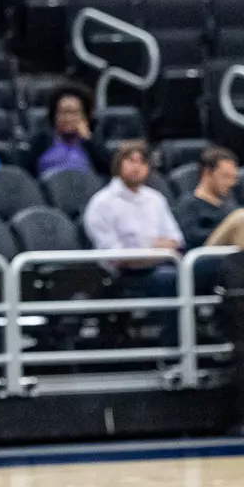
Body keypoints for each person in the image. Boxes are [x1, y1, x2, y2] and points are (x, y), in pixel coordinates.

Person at [83, 140, 183, 342]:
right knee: (170, 280)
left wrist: (145, 251)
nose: (136, 167)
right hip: (120, 275)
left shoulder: (156, 199)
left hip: (157, 268)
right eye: (131, 160)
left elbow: (175, 239)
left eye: (142, 162)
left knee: (186, 277)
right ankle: (173, 350)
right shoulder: (101, 203)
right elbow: (114, 255)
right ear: (119, 165)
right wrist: (153, 248)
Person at [174, 146, 244, 252]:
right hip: (204, 256)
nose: (231, 183)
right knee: (243, 217)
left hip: (231, 256)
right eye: (225, 177)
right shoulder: (188, 203)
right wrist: (230, 232)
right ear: (207, 173)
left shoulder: (228, 207)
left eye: (233, 178)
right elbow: (190, 237)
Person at [26, 83, 109, 178]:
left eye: (74, 112)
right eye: (63, 112)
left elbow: (107, 174)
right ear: (54, 116)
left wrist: (88, 140)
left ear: (85, 116)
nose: (68, 118)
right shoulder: (41, 141)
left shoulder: (93, 144)